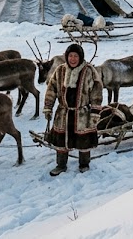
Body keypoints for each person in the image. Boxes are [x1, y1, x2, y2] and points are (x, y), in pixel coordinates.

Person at [43, 43, 101, 175]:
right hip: (63, 112)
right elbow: (51, 89)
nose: (73, 59)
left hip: (82, 113)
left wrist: (95, 112)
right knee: (61, 141)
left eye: (76, 56)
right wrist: (48, 107)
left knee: (84, 140)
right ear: (66, 57)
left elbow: (96, 93)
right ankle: (61, 165)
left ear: (80, 57)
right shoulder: (60, 70)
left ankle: (84, 164)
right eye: (70, 56)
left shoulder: (89, 71)